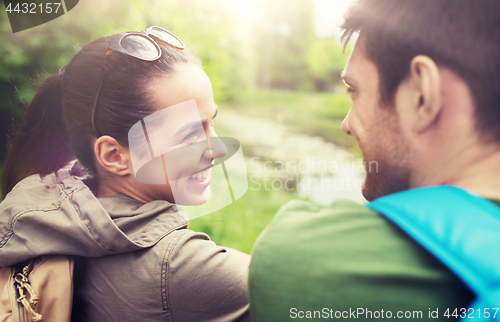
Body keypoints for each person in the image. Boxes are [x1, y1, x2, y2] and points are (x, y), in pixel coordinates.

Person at [248, 0, 500, 320]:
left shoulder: (303, 259)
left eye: (354, 90)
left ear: (422, 95)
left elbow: (279, 264)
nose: (346, 124)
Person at [0, 26, 251, 321]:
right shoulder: (183, 268)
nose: (218, 149)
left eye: (211, 122)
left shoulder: (44, 214)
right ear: (115, 156)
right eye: (190, 134)